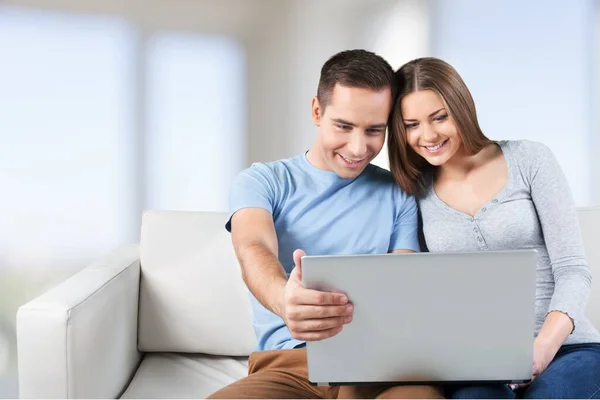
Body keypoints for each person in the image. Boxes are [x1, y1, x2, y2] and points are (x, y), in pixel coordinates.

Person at [207, 49, 444, 399]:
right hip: (293, 366)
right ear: (317, 111)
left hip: (386, 368)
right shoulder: (263, 181)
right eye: (344, 126)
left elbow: (403, 285)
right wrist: (283, 297)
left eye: (374, 130)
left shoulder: (399, 193)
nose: (358, 147)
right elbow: (253, 246)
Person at [387, 56, 600, 399]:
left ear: (461, 107)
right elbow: (417, 291)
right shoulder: (414, 192)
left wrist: (542, 349)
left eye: (439, 117)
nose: (427, 135)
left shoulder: (530, 159)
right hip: (474, 363)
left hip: (565, 349)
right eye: (412, 124)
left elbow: (573, 270)